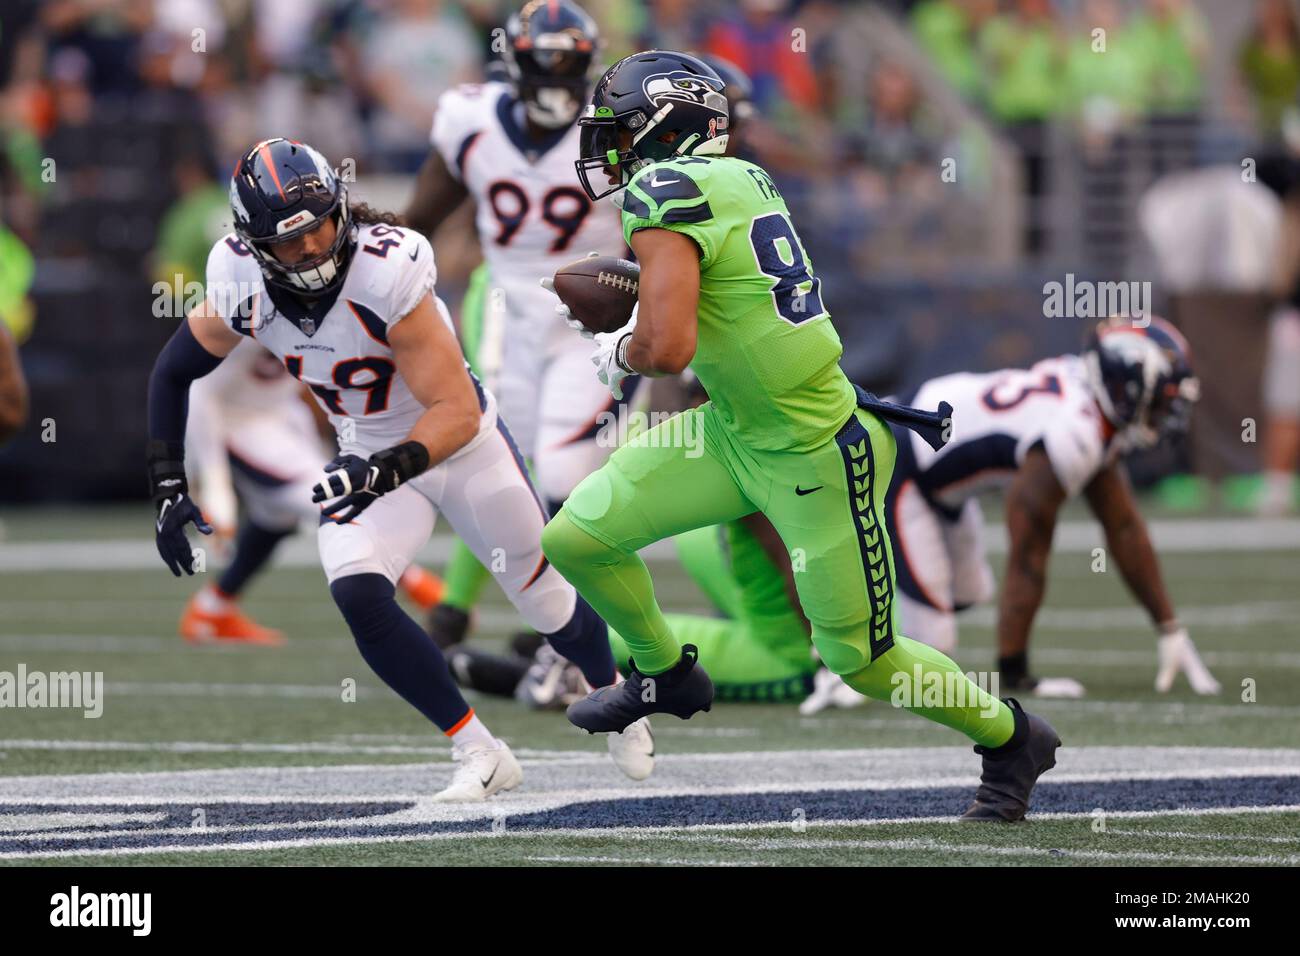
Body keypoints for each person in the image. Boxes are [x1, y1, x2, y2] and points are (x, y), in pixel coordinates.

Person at [541, 50, 1061, 822]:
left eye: (620, 129)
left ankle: (1011, 735)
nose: (610, 147)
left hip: (816, 447)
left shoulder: (662, 188)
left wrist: (620, 348)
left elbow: (671, 348)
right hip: (731, 429)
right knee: (578, 538)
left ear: (668, 123)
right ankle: (664, 674)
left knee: (865, 661)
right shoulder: (740, 175)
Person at [144, 138, 652, 801]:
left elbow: (457, 410)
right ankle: (479, 750)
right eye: (286, 240)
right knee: (357, 590)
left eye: (318, 226)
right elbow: (174, 370)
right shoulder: (239, 279)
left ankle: (616, 700)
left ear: (339, 210)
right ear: (252, 243)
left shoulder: (388, 266)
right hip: (364, 444)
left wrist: (386, 470)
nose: (308, 249)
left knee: (542, 594)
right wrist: (166, 484)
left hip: (458, 441)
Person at [403, 0, 636, 649]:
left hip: (591, 313)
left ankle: (576, 618)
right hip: (503, 303)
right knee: (499, 459)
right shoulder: (469, 119)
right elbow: (423, 212)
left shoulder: (614, 128)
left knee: (563, 477)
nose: (558, 90)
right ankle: (462, 611)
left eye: (569, 75)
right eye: (545, 72)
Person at [870, 317, 1219, 698]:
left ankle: (883, 612)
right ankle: (841, 663)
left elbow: (1123, 527)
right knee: (931, 659)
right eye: (1161, 398)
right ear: (1129, 383)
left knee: (969, 592)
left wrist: (1169, 627)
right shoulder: (1073, 433)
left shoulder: (1094, 411)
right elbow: (1028, 558)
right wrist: (1017, 675)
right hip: (897, 459)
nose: (1164, 412)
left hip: (938, 475)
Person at [178, 338, 445, 644]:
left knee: (276, 519)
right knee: (333, 496)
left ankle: (212, 610)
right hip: (235, 422)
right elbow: (198, 391)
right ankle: (415, 581)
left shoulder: (324, 308)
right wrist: (214, 483)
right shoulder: (243, 305)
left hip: (282, 414)